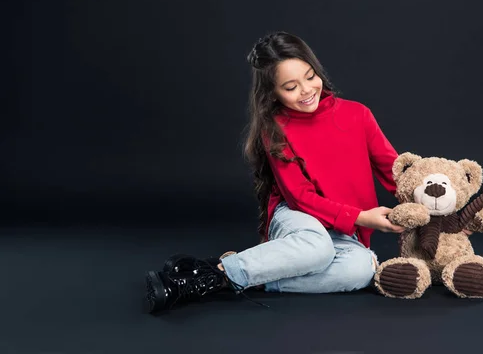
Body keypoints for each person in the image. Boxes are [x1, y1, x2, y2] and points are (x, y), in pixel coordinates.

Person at [144, 31, 405, 313]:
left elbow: (394, 171)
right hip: (298, 217)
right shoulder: (276, 128)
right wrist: (362, 217)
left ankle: (241, 275)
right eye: (291, 87)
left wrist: (446, 212)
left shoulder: (357, 115)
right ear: (273, 93)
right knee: (318, 249)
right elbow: (300, 198)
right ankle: (206, 277)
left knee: (362, 270)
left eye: (310, 76)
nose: (306, 90)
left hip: (345, 230)